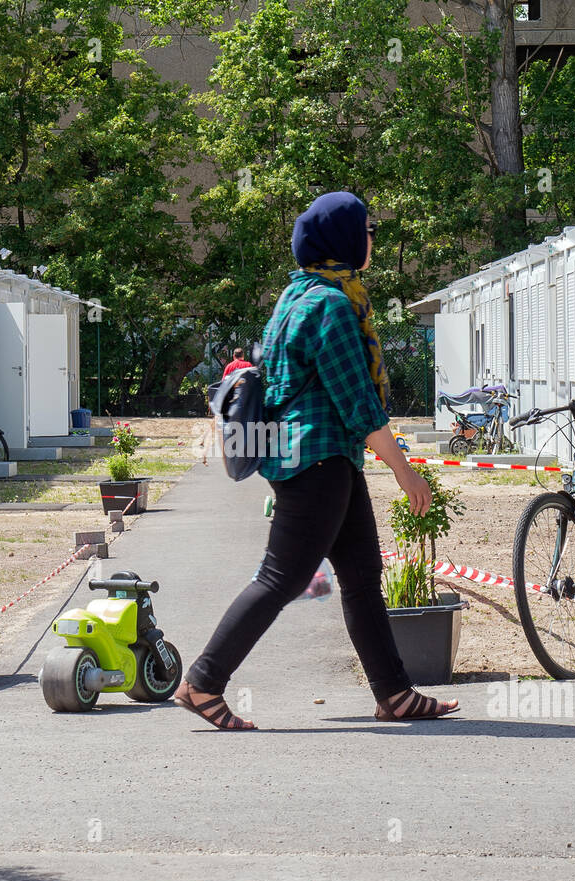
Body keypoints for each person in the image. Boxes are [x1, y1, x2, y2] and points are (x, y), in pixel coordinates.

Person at [175, 191, 460, 730]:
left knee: (360, 576)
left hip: (324, 460)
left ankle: (394, 694)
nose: (373, 239)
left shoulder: (295, 295)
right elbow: (358, 400)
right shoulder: (330, 306)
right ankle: (202, 682)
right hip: (317, 460)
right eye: (368, 230)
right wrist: (404, 470)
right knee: (280, 577)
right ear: (344, 239)